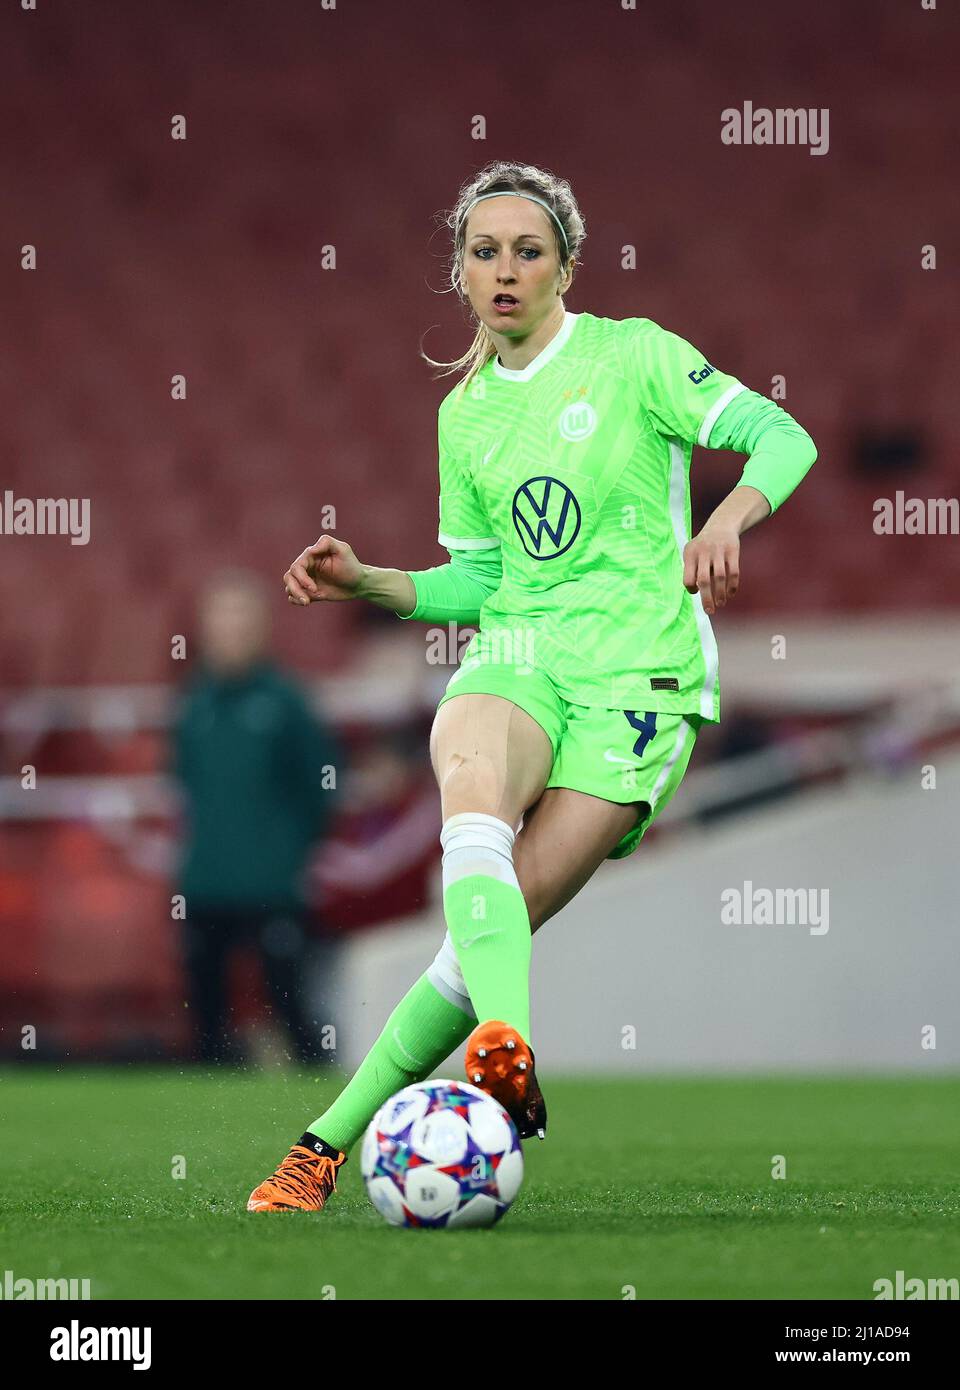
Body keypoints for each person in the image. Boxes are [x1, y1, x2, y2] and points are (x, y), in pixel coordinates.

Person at [247, 160, 816, 1212]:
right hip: (520, 653)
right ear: (459, 272)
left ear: (565, 267)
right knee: (469, 764)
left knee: (481, 937)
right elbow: (486, 578)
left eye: (527, 251)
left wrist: (728, 518)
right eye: (483, 252)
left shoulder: (636, 356)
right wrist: (374, 579)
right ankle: (506, 1044)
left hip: (640, 679)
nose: (504, 271)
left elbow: (783, 435)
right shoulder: (463, 416)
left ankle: (327, 1140)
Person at [172, 568, 342, 1066]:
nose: (231, 632)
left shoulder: (286, 702)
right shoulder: (193, 703)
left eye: (242, 620)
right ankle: (202, 1116)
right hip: (205, 885)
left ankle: (324, 1104)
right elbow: (184, 784)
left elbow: (323, 784)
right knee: (204, 1017)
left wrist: (288, 852)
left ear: (262, 629)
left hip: (273, 887)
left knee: (291, 1004)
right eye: (221, 620)